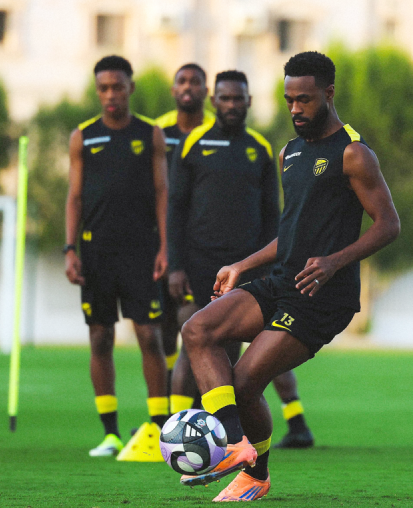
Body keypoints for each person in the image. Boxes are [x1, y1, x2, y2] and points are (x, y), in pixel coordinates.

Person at [177, 51, 401, 501]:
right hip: (281, 282)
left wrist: (334, 261)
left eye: (305, 100)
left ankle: (253, 471)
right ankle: (238, 450)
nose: (295, 109)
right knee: (197, 330)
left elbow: (389, 225)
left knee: (245, 382)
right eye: (289, 100)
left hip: (323, 297)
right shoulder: (289, 152)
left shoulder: (354, 154)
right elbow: (292, 232)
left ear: (328, 94)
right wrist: (242, 265)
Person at [162, 67, 316, 449]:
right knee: (192, 339)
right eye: (225, 98)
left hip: (247, 268)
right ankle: (173, 428)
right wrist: (175, 265)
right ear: (213, 101)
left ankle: (232, 432)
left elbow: (273, 216)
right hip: (198, 265)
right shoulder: (192, 143)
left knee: (239, 353)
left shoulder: (260, 148)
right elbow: (175, 209)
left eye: (238, 98)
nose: (231, 104)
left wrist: (271, 267)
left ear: (249, 101)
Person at [64, 55, 169, 458]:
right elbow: (75, 197)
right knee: (100, 336)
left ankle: (159, 429)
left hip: (142, 250)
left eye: (118, 87)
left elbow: (162, 192)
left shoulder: (150, 134)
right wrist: (70, 249)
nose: (111, 95)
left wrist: (165, 246)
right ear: (97, 91)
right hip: (96, 252)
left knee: (149, 335)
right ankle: (110, 433)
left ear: (131, 88)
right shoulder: (83, 137)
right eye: (104, 88)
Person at [155, 63, 215, 390]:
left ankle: (190, 397)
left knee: (193, 321)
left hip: (201, 243)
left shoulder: (216, 131)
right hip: (160, 242)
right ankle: (168, 394)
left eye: (195, 81)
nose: (188, 86)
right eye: (182, 81)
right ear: (173, 89)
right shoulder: (158, 131)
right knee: (162, 324)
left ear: (206, 90)